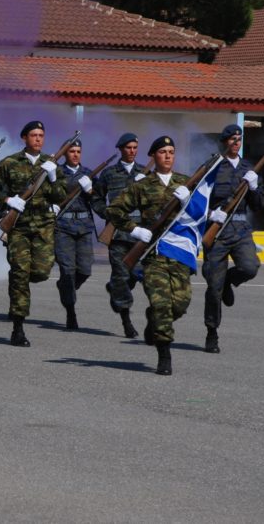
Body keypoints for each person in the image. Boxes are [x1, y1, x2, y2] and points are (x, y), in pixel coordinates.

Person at [106, 135, 191, 375]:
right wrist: (135, 229)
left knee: (180, 305)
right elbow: (114, 210)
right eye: (163, 152)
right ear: (153, 156)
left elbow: (200, 215)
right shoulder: (142, 186)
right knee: (162, 303)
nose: (168, 156)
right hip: (154, 255)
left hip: (180, 252)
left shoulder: (186, 184)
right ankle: (164, 354)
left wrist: (190, 203)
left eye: (171, 152)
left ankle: (153, 320)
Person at [0, 120, 66, 346]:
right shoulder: (9, 163)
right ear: (24, 138)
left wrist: (53, 177)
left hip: (43, 225)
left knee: (40, 272)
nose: (38, 139)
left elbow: (60, 195)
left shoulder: (51, 164)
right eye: (34, 135)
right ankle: (18, 327)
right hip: (18, 225)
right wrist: (8, 200)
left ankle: (18, 283)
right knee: (21, 272)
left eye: (41, 135)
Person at [201, 124, 264, 354]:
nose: (236, 142)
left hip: (240, 228)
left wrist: (255, 188)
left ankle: (230, 279)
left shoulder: (249, 168)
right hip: (217, 230)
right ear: (224, 142)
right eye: (232, 139)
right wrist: (209, 215)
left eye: (239, 138)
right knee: (213, 288)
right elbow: (197, 200)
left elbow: (258, 206)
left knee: (249, 267)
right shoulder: (213, 167)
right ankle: (212, 332)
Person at [90, 132, 149, 338]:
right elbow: (96, 198)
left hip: (139, 233)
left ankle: (114, 288)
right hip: (117, 233)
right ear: (121, 149)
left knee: (136, 275)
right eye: (128, 148)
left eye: (135, 148)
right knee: (122, 276)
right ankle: (126, 320)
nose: (132, 151)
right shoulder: (109, 174)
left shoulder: (145, 172)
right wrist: (107, 214)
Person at [53, 139, 95, 330]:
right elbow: (50, 193)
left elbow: (99, 198)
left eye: (78, 151)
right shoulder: (58, 173)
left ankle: (65, 289)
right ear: (65, 154)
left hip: (84, 226)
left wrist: (91, 190)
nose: (76, 154)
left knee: (85, 270)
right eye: (72, 151)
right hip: (63, 226)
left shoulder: (88, 173)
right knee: (68, 271)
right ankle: (71, 312)